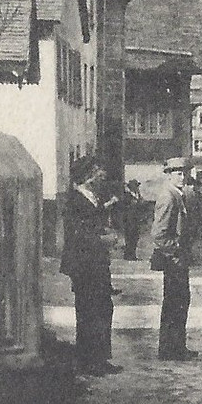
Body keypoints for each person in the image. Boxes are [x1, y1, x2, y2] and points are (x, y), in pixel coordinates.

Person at [62, 156, 120, 375]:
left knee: (104, 309)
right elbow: (78, 235)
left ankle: (101, 359)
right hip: (84, 266)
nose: (101, 175)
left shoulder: (91, 197)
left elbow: (92, 224)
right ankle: (88, 362)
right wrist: (102, 240)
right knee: (88, 312)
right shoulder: (75, 201)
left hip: (96, 263)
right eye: (96, 171)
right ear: (86, 176)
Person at [151, 156, 198, 361]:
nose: (182, 177)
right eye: (178, 174)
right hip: (173, 260)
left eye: (185, 173)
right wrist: (177, 250)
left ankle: (176, 347)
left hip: (178, 260)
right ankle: (170, 349)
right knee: (174, 303)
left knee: (179, 302)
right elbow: (159, 235)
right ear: (169, 176)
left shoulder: (177, 194)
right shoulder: (168, 197)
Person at [119, 179, 145, 261]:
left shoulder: (138, 195)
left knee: (135, 237)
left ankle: (132, 254)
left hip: (136, 219)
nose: (137, 187)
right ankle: (128, 255)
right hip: (129, 220)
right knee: (129, 237)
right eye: (135, 185)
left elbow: (141, 206)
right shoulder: (127, 195)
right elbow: (124, 207)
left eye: (137, 185)